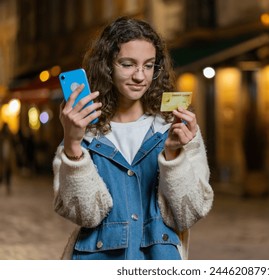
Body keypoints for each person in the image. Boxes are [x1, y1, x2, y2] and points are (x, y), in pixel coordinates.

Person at [52, 16, 213, 260]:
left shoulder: (175, 128)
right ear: (107, 65)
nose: (140, 76)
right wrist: (73, 146)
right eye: (127, 64)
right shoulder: (83, 132)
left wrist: (174, 154)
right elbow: (87, 215)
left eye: (149, 65)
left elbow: (187, 213)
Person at [0, 123, 14, 195]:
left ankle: (8, 187)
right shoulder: (1, 138)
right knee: (1, 174)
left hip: (8, 159)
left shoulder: (10, 137)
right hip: (2, 159)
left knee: (8, 173)